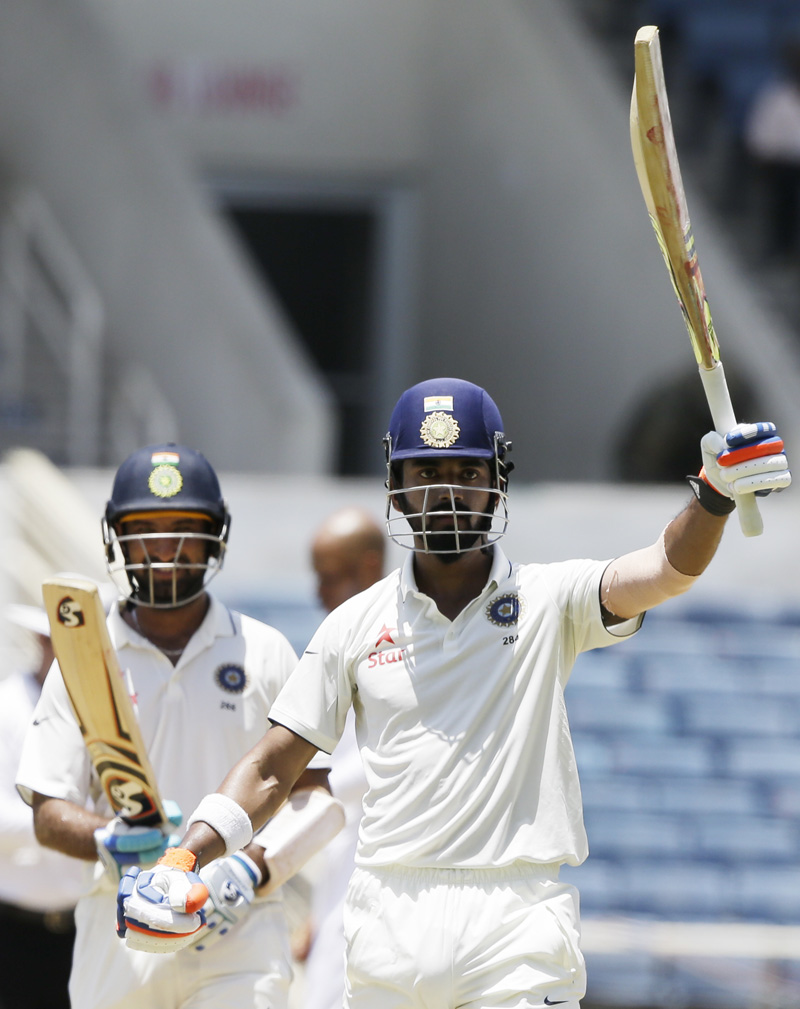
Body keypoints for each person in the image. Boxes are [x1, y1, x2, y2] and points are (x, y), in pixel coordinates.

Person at [116, 381, 791, 1008]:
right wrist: (184, 855)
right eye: (426, 474)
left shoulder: (550, 599)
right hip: (388, 916)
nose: (446, 493)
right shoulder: (353, 624)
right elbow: (271, 765)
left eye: (466, 474)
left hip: (515, 922)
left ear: (498, 481)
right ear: (396, 485)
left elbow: (665, 570)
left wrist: (712, 496)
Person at [16, 443, 345, 1009]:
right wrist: (106, 839)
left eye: (183, 528)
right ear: (116, 537)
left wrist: (249, 870)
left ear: (215, 535)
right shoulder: (83, 658)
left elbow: (314, 796)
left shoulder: (263, 651)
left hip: (237, 929)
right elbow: (48, 812)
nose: (165, 547)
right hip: (120, 927)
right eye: (146, 529)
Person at [301, 508, 385, 1009]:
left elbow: (368, 772)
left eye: (329, 577)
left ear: (369, 567)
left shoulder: (401, 645)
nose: (318, 593)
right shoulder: (343, 646)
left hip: (386, 882)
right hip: (341, 877)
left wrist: (307, 786)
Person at [0, 605, 84, 1009]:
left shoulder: (97, 714)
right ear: (42, 640)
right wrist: (79, 828)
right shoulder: (6, 709)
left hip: (85, 927)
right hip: (14, 931)